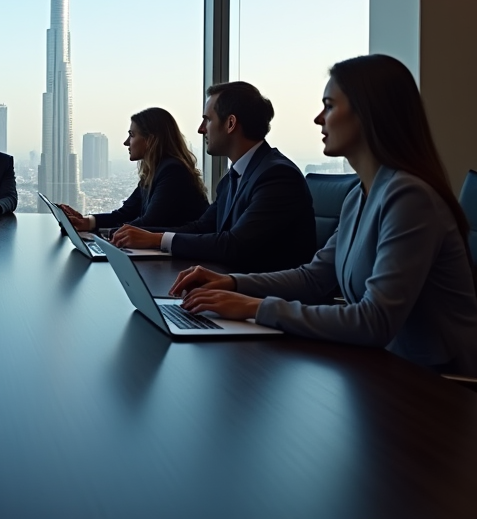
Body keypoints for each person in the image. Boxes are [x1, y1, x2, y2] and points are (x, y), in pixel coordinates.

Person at [172, 55, 477, 375]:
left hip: (441, 388)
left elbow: (375, 321)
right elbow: (315, 277)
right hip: (388, 370)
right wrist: (232, 283)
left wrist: (255, 307)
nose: (319, 119)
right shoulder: (360, 195)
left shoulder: (410, 197)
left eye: (329, 106)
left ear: (368, 113)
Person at [111, 82, 315, 272]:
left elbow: (234, 245)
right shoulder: (233, 177)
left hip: (265, 301)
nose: (201, 129)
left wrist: (157, 240)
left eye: (207, 120)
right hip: (230, 287)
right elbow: (202, 227)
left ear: (230, 123)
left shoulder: (277, 176)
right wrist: (146, 237)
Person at [59, 107, 208, 233]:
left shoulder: (173, 172)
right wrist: (88, 222)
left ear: (151, 139)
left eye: (131, 135)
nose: (126, 142)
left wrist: (104, 233)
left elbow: (148, 225)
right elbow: (126, 214)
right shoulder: (156, 171)